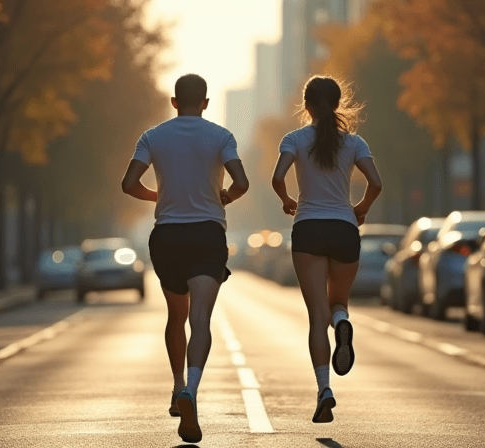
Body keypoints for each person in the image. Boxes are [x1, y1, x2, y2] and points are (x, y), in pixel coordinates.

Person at [122, 74, 249, 443]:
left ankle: (177, 387)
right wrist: (224, 196)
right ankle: (192, 389)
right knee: (201, 318)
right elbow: (241, 183)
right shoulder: (221, 136)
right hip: (208, 234)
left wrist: (158, 196)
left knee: (176, 316)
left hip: (168, 236)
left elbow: (128, 183)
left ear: (174, 102)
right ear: (206, 103)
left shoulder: (153, 137)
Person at [271, 75, 382, 423]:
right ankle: (343, 320)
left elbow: (277, 177)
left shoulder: (294, 139)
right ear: (337, 104)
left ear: (306, 106)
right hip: (344, 229)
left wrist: (287, 199)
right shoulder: (355, 143)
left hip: (308, 229)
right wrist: (360, 209)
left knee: (316, 317)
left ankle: (324, 390)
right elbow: (375, 183)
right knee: (338, 303)